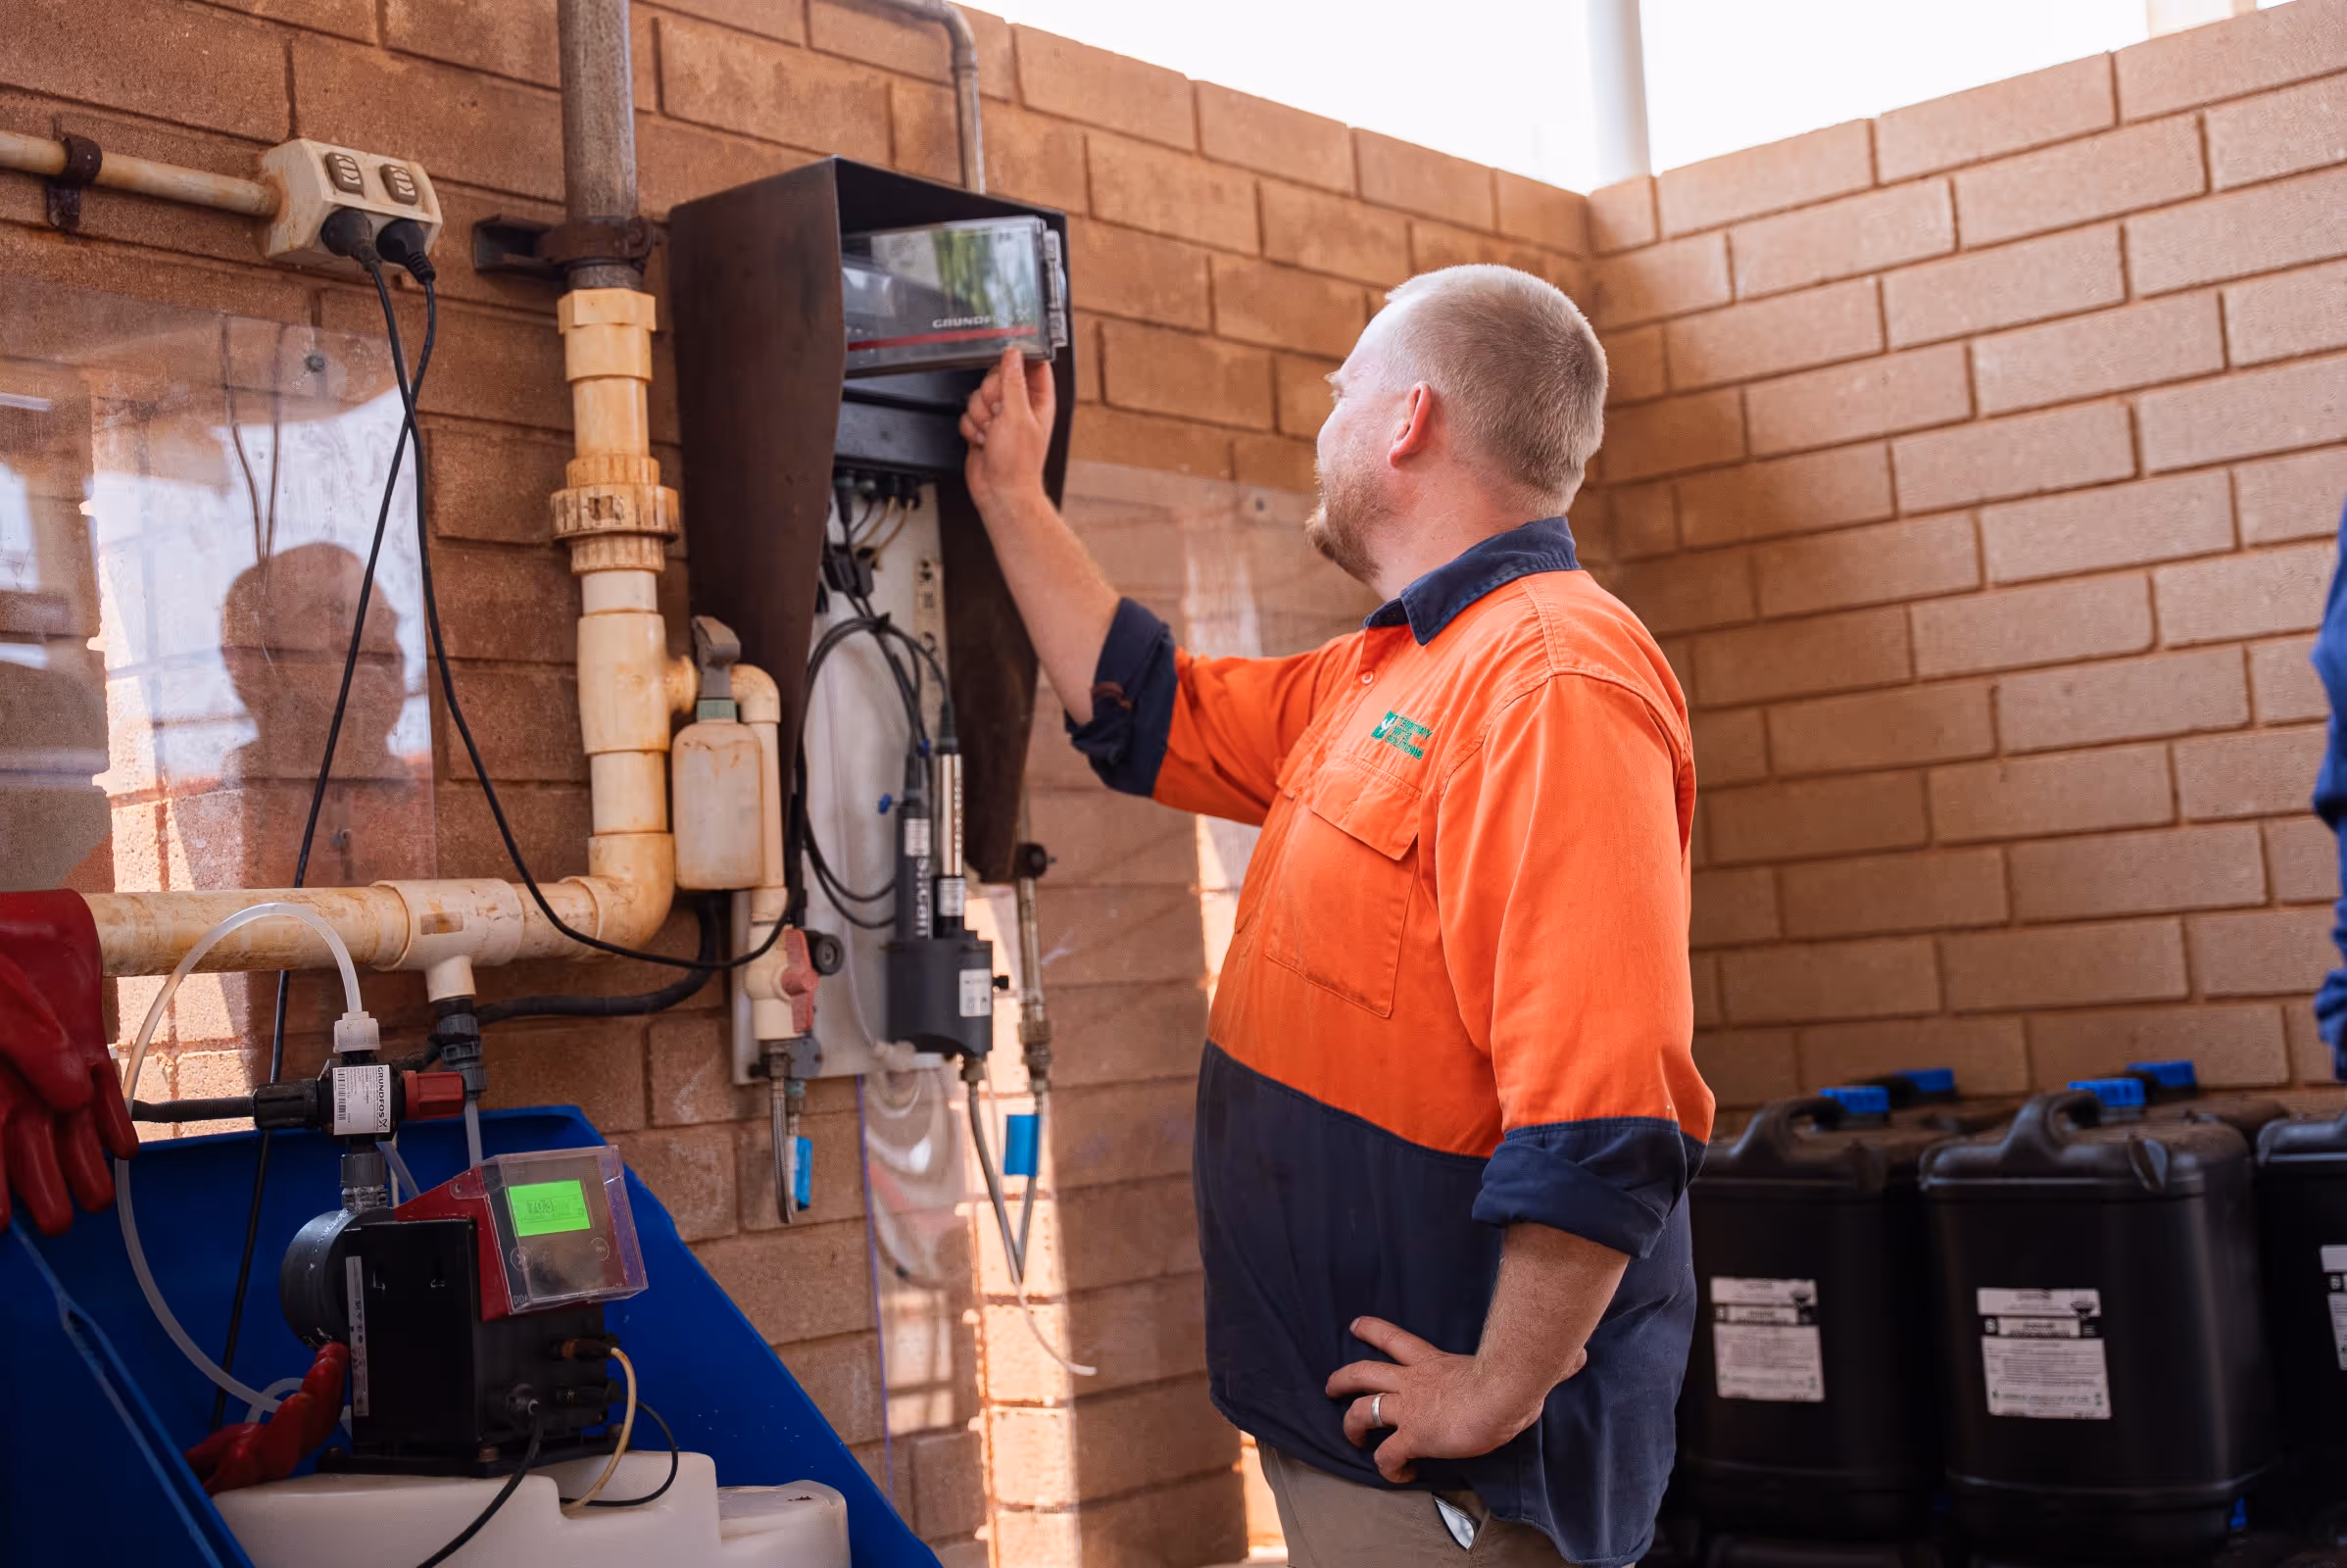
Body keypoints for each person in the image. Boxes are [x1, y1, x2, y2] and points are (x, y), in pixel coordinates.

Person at [959, 264, 1713, 1568]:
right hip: (1354, 1426)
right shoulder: (1388, 670)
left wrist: (1496, 1384)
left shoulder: (1550, 674)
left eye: (1341, 390)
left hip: (1468, 1465)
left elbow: (1608, 1105)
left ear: (1406, 420)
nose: (1324, 425)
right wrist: (1008, 496)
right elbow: (1146, 712)